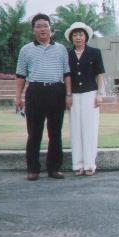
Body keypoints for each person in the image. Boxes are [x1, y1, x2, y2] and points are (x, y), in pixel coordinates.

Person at [15, 13, 72, 181]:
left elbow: (67, 73)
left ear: (50, 29)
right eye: (39, 26)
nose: (43, 29)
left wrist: (68, 94)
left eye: (45, 26)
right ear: (33, 30)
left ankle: (54, 168)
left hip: (56, 91)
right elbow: (20, 75)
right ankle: (33, 169)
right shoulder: (25, 50)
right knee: (34, 133)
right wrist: (18, 97)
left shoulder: (61, 49)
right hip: (35, 92)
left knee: (55, 133)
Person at [65, 22, 105, 177]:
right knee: (75, 129)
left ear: (86, 37)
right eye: (75, 35)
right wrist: (68, 95)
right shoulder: (67, 55)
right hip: (74, 95)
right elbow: (67, 76)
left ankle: (89, 164)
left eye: (81, 34)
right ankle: (78, 165)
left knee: (90, 129)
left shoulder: (95, 52)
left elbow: (99, 75)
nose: (78, 37)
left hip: (90, 94)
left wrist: (99, 94)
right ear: (71, 38)